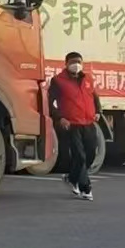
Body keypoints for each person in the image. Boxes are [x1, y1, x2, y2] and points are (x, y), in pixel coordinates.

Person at [48, 51, 100, 201]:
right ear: (66, 64)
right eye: (72, 62)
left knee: (90, 154)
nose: (76, 65)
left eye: (78, 62)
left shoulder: (88, 79)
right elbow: (50, 102)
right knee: (79, 155)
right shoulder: (58, 81)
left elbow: (94, 96)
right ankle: (85, 188)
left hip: (88, 123)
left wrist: (98, 111)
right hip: (72, 124)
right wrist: (60, 118)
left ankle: (72, 177)